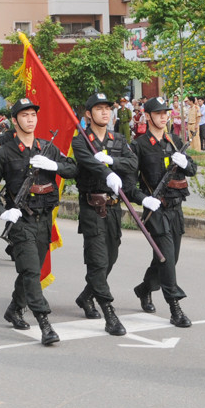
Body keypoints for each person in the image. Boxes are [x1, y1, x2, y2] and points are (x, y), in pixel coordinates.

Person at [0, 98, 77, 345]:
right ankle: (44, 323)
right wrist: (3, 212)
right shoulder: (4, 153)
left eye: (33, 114)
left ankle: (14, 308)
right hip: (21, 220)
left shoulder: (47, 148)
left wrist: (54, 165)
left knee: (30, 270)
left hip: (45, 220)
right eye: (24, 115)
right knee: (32, 271)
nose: (30, 119)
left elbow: (73, 169)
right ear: (15, 121)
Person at [71, 93, 136, 336]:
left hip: (114, 208)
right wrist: (104, 171)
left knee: (110, 257)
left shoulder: (117, 138)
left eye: (108, 108)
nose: (105, 113)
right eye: (99, 109)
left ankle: (86, 296)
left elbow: (132, 163)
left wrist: (112, 162)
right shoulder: (81, 141)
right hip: (92, 208)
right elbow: (88, 163)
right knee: (97, 261)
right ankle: (109, 312)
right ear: (88, 114)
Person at [128, 96, 197, 328]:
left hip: (175, 208)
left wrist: (185, 164)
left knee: (169, 258)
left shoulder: (175, 141)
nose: (163, 116)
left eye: (166, 112)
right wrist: (144, 200)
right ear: (147, 116)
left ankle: (144, 288)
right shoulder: (139, 146)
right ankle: (175, 308)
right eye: (158, 113)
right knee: (166, 257)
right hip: (155, 210)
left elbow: (192, 170)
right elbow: (129, 185)